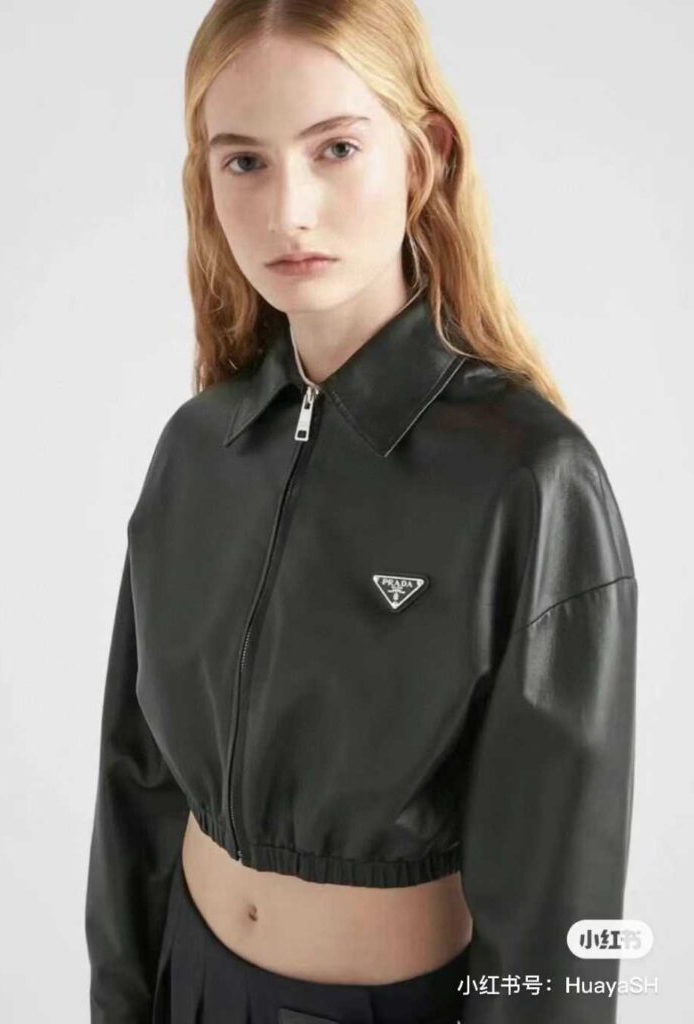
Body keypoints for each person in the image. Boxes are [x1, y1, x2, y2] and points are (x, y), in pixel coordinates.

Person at [84, 2, 638, 1023]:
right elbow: (137, 782)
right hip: (188, 983)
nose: (288, 210)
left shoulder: (526, 477)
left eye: (334, 148)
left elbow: (556, 903)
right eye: (243, 161)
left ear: (424, 157)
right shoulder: (197, 451)